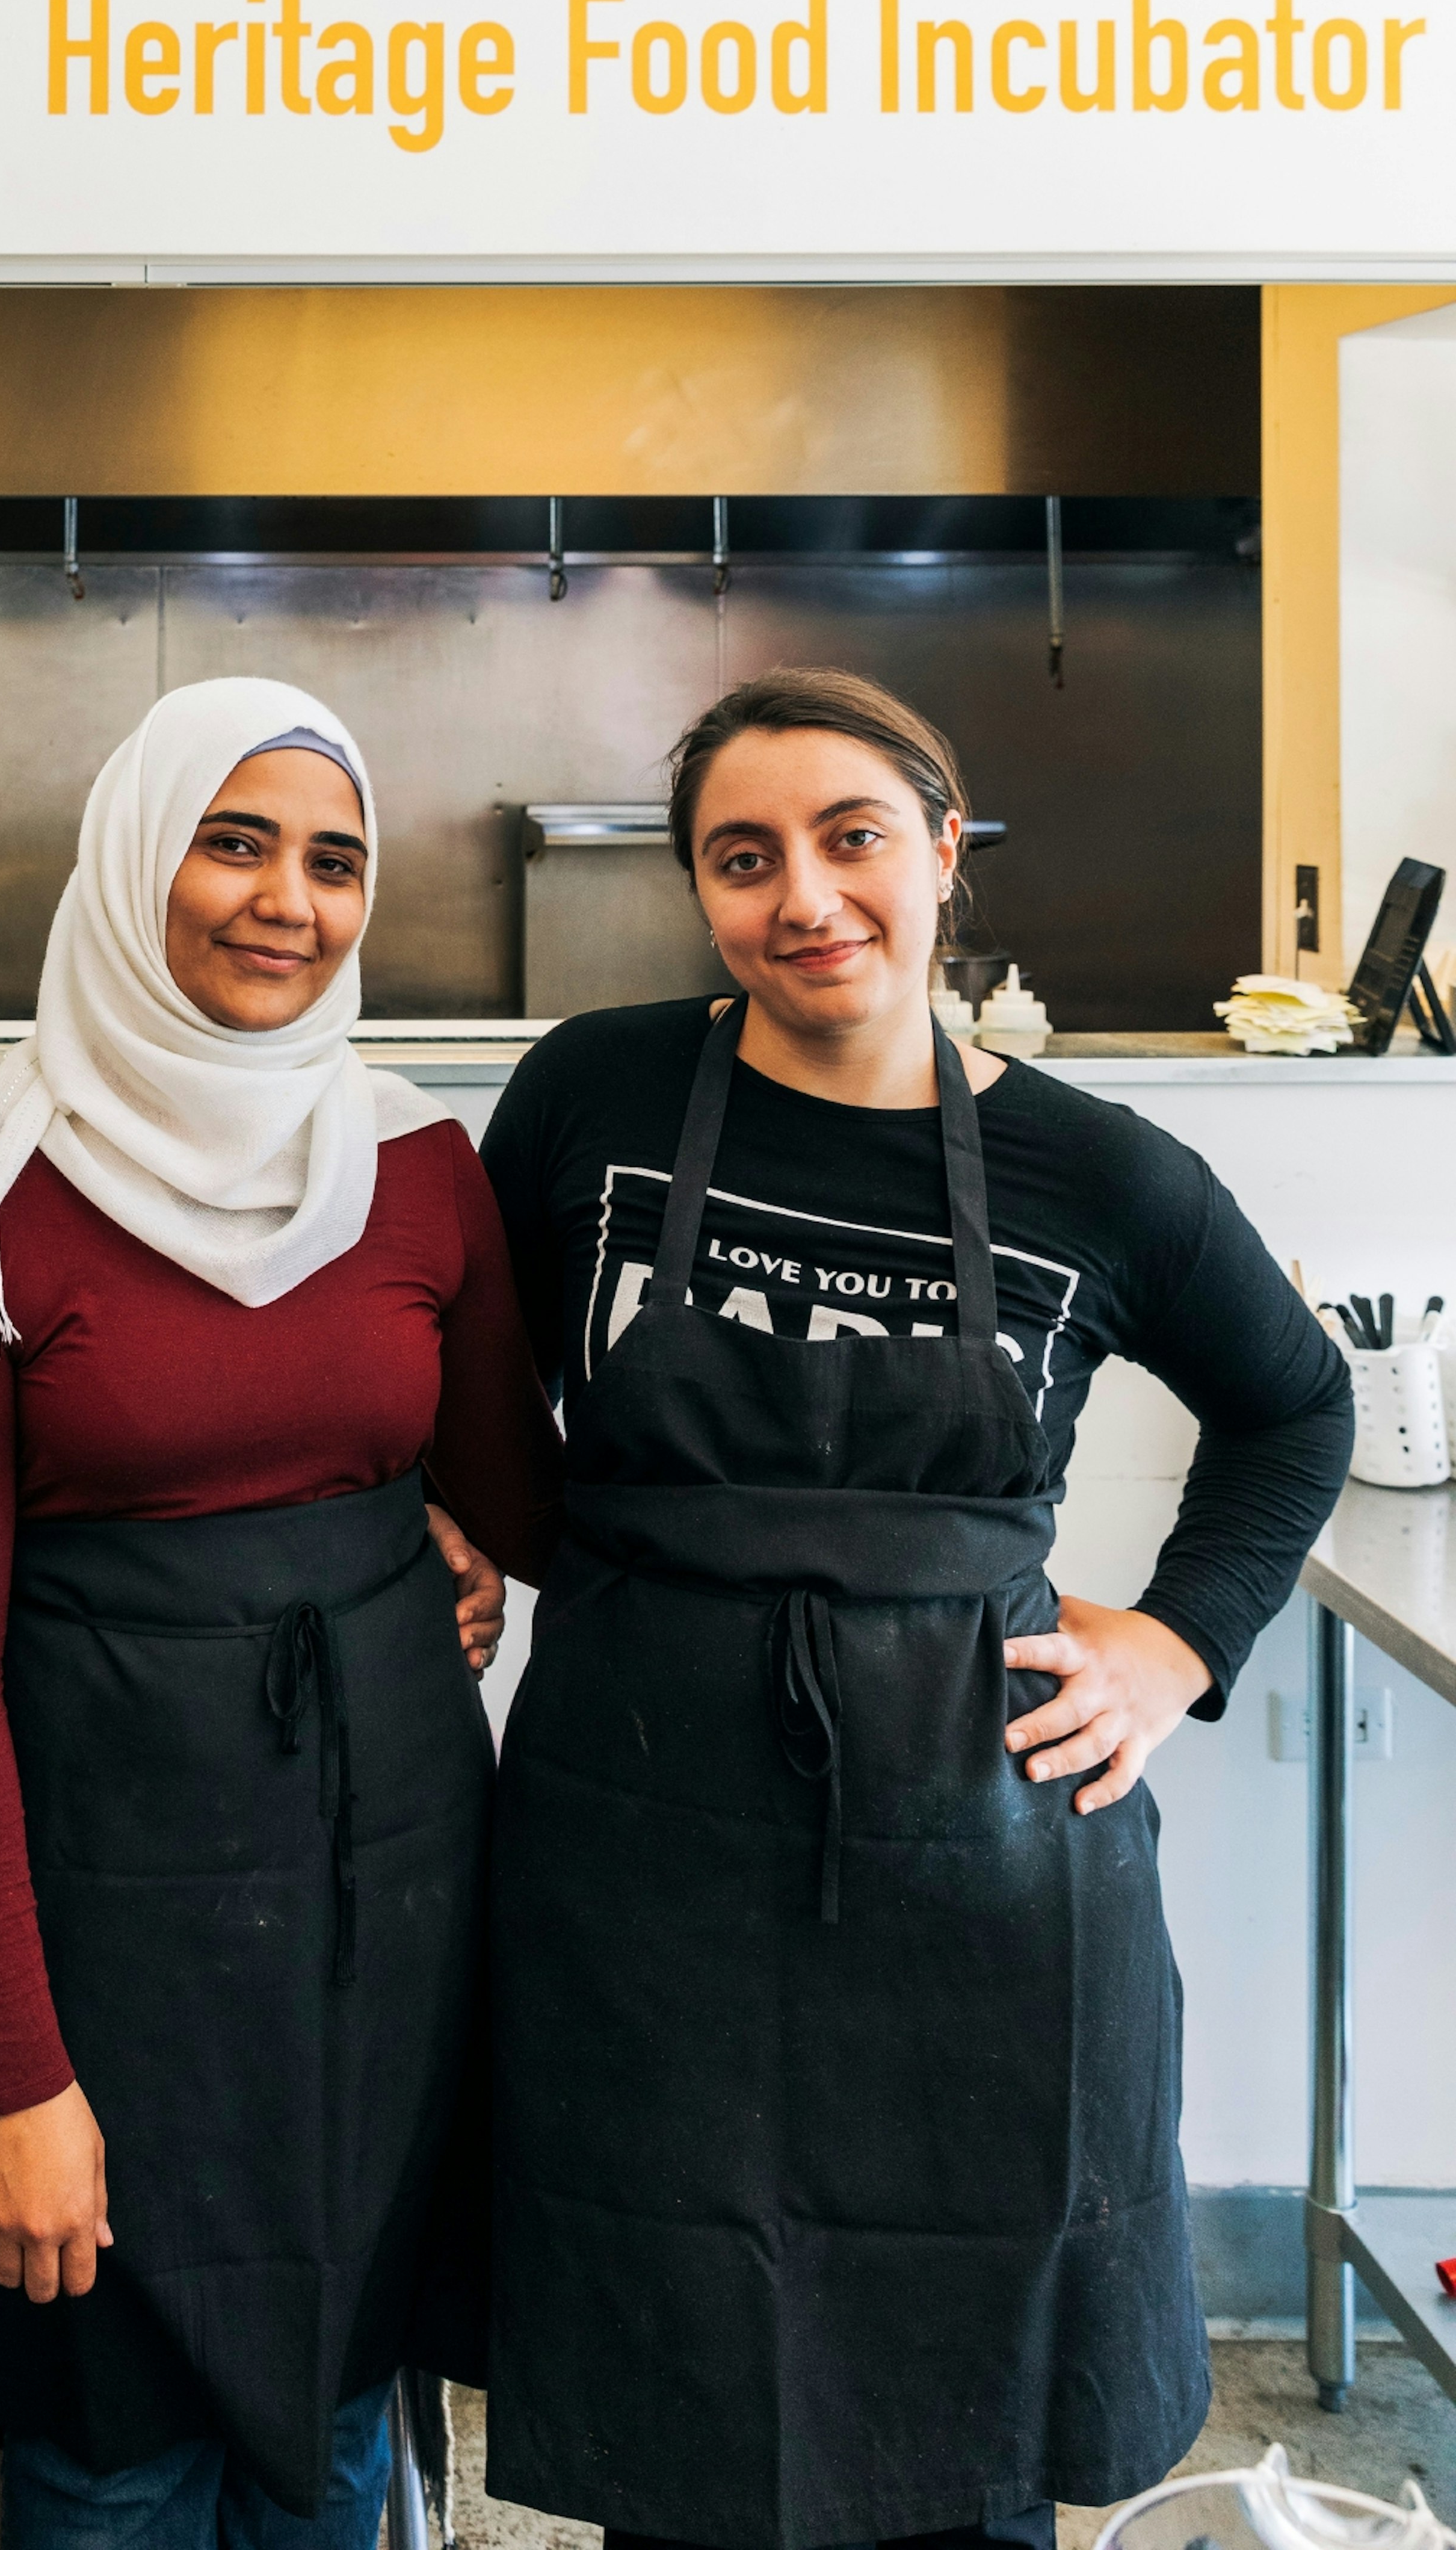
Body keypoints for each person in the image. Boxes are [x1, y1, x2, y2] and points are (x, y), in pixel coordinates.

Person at [479, 666, 1353, 2550]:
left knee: (966, 2419)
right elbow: (474, 1389)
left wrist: (1176, 1639)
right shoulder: (592, 1095)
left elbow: (1296, 1405)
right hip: (644, 1856)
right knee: (682, 2399)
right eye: (743, 856)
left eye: (852, 837)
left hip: (980, 1872)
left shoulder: (1101, 1172)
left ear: (945, 853)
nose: (805, 895)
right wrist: (453, 1533)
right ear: (698, 891)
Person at [0, 676, 562, 2550]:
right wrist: (14, 2072)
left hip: (385, 1895)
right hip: (105, 1920)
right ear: (128, 862)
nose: (288, 901)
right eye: (231, 842)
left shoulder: (418, 1168)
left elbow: (524, 1504)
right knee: (116, 2440)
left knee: (338, 2414)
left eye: (334, 861)